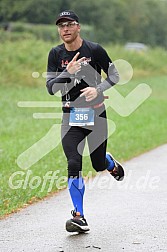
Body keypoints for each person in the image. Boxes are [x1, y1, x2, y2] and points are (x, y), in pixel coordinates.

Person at [46, 10, 124, 233]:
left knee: (97, 164)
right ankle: (79, 216)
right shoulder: (55, 54)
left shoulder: (94, 50)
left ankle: (108, 162)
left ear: (78, 27)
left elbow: (115, 76)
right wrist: (67, 73)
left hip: (96, 115)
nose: (65, 29)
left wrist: (97, 89)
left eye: (70, 24)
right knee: (73, 162)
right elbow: (51, 89)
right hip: (70, 117)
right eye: (61, 26)